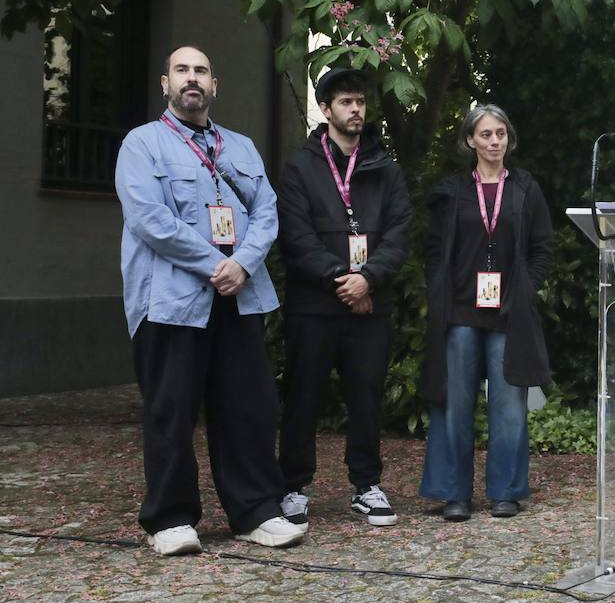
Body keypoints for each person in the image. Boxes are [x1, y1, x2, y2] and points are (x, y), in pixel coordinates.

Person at [114, 46, 307, 555]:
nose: (192, 79)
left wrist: (241, 263)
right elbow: (149, 219)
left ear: (214, 85)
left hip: (239, 296)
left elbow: (267, 211)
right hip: (171, 300)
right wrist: (213, 263)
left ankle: (256, 512)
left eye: (201, 71)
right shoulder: (142, 145)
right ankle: (171, 519)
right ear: (165, 83)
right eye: (182, 70)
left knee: (249, 408)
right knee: (171, 411)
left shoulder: (240, 147)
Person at [275, 68, 414, 529]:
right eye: (346, 102)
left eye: (360, 102)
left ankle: (366, 485)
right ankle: (292, 487)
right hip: (313, 306)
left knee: (367, 395)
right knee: (303, 396)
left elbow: (399, 232)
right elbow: (296, 237)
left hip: (370, 305)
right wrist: (343, 278)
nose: (356, 110)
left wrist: (368, 279)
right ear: (326, 109)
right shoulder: (300, 166)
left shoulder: (385, 168)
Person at [420, 105, 553, 522]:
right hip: (460, 311)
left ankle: (506, 492)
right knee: (454, 404)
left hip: (509, 315)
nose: (495, 141)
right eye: (486, 135)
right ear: (469, 141)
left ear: (508, 139)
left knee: (509, 406)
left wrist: (526, 290)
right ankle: (454, 492)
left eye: (501, 134)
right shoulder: (453, 191)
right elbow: (433, 249)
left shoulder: (525, 189)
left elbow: (543, 249)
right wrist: (441, 291)